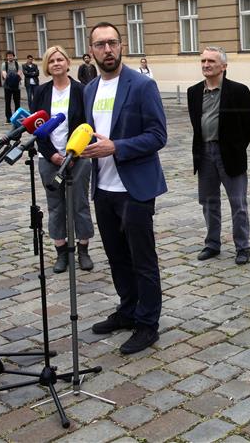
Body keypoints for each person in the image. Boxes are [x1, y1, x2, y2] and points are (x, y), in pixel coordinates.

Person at [83, 22, 168, 355]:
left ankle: (148, 324)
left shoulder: (141, 85)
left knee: (142, 260)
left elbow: (158, 136)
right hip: (102, 187)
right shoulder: (88, 89)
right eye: (100, 44)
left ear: (122, 46)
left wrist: (116, 147)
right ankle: (128, 309)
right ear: (91, 50)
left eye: (112, 43)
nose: (107, 49)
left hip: (135, 188)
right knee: (117, 257)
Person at [187, 47, 250, 265]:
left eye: (211, 61)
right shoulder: (193, 92)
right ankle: (212, 244)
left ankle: (242, 247)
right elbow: (196, 123)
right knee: (208, 202)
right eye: (203, 61)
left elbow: (249, 124)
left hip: (230, 154)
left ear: (223, 66)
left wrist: (235, 147)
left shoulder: (239, 91)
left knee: (238, 203)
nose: (206, 65)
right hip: (204, 154)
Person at [31, 46, 94, 274]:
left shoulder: (81, 90)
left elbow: (88, 125)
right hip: (49, 157)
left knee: (80, 204)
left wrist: (74, 153)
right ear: (47, 66)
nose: (56, 63)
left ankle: (83, 249)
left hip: (78, 157)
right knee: (55, 206)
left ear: (68, 63)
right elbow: (37, 128)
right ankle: (61, 252)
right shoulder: (40, 92)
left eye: (60, 59)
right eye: (51, 61)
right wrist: (52, 155)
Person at [1, 51, 22, 121]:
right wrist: (8, 78)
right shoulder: (4, 64)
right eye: (8, 56)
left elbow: (19, 72)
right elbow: (4, 73)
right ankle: (8, 117)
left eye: (11, 56)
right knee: (7, 102)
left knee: (17, 102)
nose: (10, 57)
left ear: (13, 56)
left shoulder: (17, 64)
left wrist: (15, 78)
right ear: (7, 57)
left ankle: (17, 117)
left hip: (16, 86)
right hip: (7, 86)